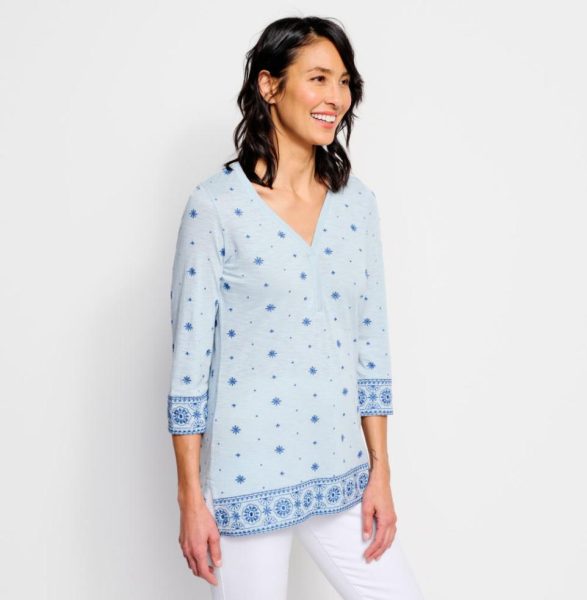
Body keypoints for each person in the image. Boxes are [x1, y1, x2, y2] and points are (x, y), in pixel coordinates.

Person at [167, 15, 425, 600]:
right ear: (269, 85)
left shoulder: (357, 205)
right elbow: (189, 363)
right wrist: (190, 497)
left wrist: (380, 472)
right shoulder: (215, 206)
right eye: (318, 78)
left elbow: (371, 344)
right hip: (246, 477)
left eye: (344, 81)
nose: (336, 96)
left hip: (341, 471)